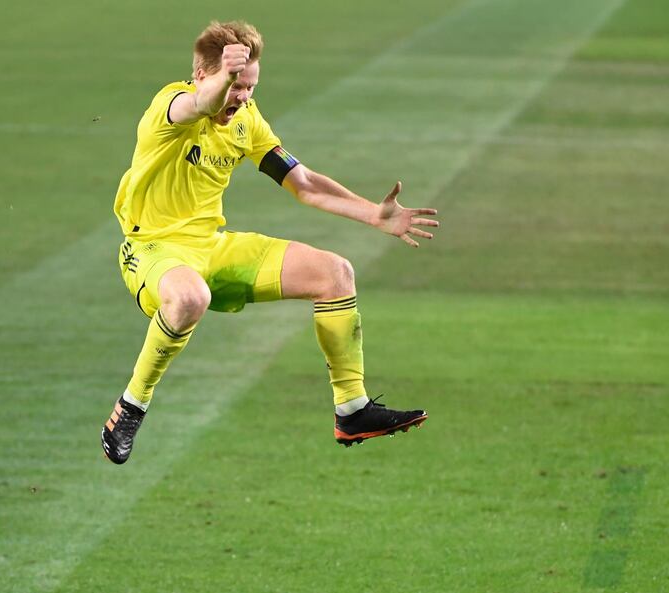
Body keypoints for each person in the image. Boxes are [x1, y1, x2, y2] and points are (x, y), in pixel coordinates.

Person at [101, 20, 439, 464]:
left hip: (211, 247)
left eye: (250, 88)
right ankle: (131, 408)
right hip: (153, 249)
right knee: (189, 296)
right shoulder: (172, 104)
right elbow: (199, 104)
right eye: (236, 86)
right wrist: (222, 81)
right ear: (203, 74)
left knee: (335, 273)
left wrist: (371, 214)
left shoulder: (246, 121)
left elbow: (305, 184)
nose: (242, 98)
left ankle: (352, 409)